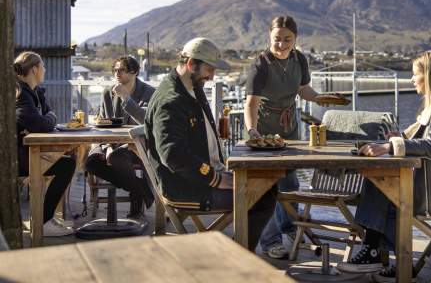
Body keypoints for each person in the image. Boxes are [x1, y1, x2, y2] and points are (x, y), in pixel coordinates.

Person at [337, 50, 431, 282]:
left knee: (383, 184)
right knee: (380, 179)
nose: (411, 79)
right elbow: (415, 135)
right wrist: (396, 138)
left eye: (415, 74)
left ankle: (375, 252)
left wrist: (390, 147)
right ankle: (382, 254)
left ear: (430, 76)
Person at [145, 37, 277, 251]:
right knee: (263, 196)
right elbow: (173, 155)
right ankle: (238, 258)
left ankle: (237, 253)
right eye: (209, 69)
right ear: (191, 64)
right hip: (187, 188)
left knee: (267, 185)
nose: (212, 76)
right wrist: (215, 179)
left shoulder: (191, 87)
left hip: (202, 177)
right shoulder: (170, 100)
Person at [244, 15, 325, 259]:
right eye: (277, 39)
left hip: (290, 128)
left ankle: (290, 228)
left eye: (287, 39)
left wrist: (320, 98)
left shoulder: (299, 58)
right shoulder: (260, 64)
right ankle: (270, 241)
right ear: (269, 37)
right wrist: (252, 131)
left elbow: (302, 89)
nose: (281, 44)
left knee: (290, 183)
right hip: (264, 130)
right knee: (267, 186)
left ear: (295, 38)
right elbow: (251, 103)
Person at [85, 55, 155, 218]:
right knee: (91, 163)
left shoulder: (149, 93)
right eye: (115, 70)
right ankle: (139, 189)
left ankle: (136, 199)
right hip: (112, 143)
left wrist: (126, 98)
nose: (117, 73)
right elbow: (103, 122)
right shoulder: (108, 93)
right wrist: (108, 147)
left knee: (118, 157)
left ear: (135, 72)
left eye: (122, 70)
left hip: (139, 146)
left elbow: (147, 122)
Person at [15, 51, 76, 237]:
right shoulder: (20, 93)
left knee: (68, 160)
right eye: (43, 66)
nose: (45, 69)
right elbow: (40, 123)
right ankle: (43, 222)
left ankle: (46, 219)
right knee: (67, 165)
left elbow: (48, 117)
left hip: (27, 152)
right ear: (35, 69)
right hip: (16, 158)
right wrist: (46, 119)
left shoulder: (35, 92)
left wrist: (46, 119)